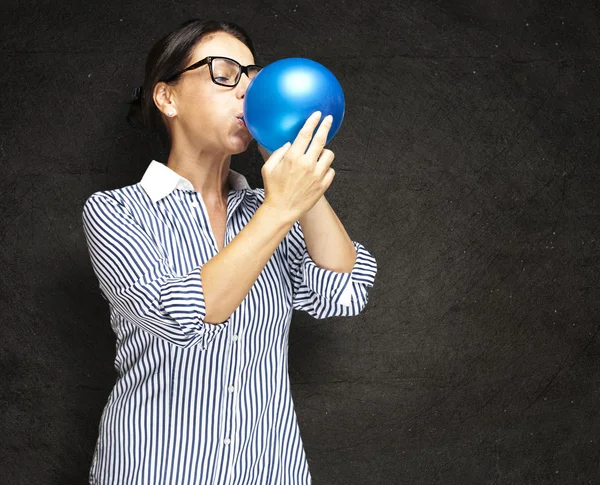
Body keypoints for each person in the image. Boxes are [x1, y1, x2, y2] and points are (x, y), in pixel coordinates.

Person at [81, 18, 378, 485]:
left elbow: (342, 290)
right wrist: (281, 206)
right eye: (224, 72)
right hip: (154, 467)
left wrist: (292, 166)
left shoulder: (268, 207)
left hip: (268, 467)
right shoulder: (117, 211)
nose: (247, 90)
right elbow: (184, 314)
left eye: (253, 76)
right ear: (167, 97)